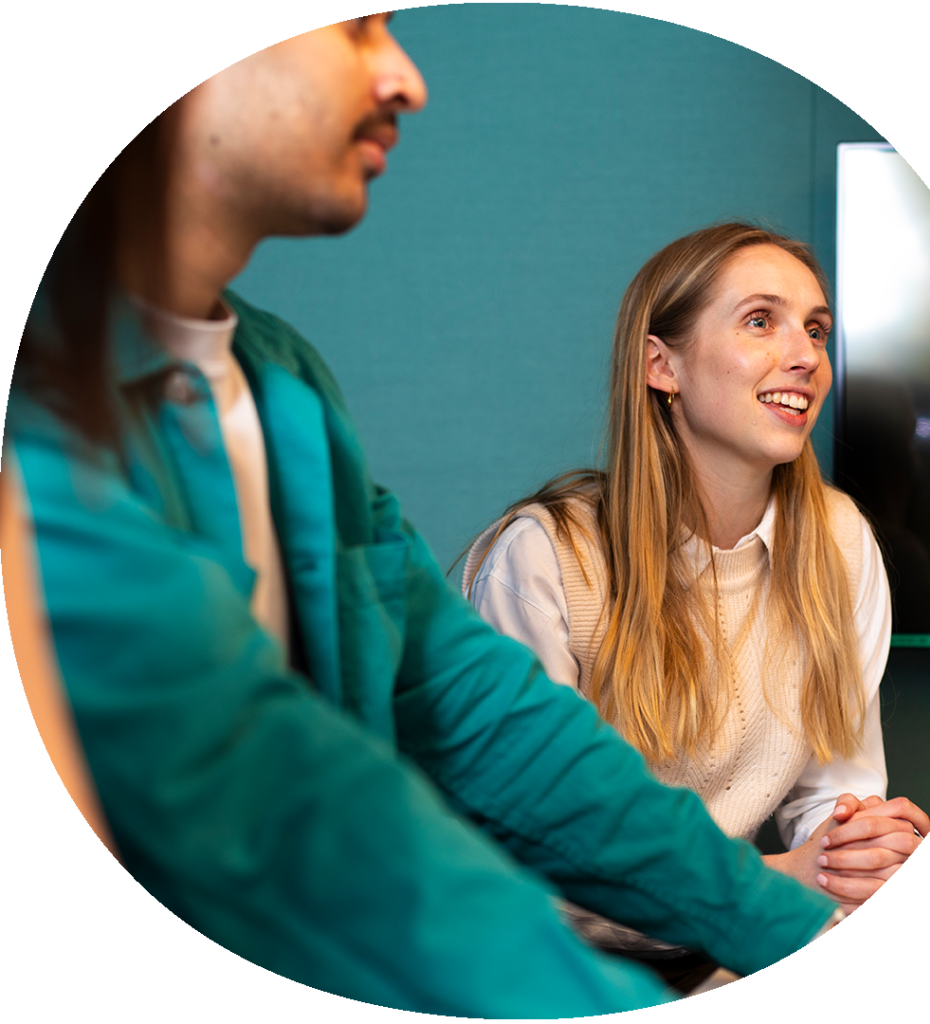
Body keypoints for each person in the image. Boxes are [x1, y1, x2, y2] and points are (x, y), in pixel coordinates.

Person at [6, 19, 841, 1016]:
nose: (406, 78)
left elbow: (487, 718)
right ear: (657, 365)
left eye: (814, 330)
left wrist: (785, 923)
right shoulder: (40, 406)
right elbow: (288, 805)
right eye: (358, 30)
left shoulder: (284, 384)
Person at [463, 223, 930, 975]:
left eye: (817, 330)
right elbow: (529, 862)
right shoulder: (545, 560)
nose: (807, 356)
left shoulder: (843, 544)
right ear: (662, 366)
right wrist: (780, 877)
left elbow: (830, 796)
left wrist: (859, 844)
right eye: (760, 321)